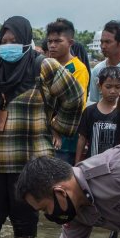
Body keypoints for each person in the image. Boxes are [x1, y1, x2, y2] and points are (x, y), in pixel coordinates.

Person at [0, 15, 83, 238]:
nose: (8, 45)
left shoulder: (44, 66)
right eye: (4, 39)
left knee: (25, 220)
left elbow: (75, 97)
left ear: (25, 40)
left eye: (13, 39)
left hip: (30, 161)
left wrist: (57, 127)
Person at [45, 18, 89, 165]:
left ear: (70, 43)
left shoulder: (78, 69)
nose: (52, 45)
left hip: (66, 134)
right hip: (46, 132)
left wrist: (56, 129)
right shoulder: (46, 66)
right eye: (50, 41)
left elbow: (75, 104)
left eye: (58, 41)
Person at [74, 66, 120, 164]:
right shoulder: (89, 111)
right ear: (99, 86)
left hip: (113, 164)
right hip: (91, 163)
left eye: (117, 87)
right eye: (108, 87)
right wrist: (77, 162)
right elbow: (82, 138)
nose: (112, 91)